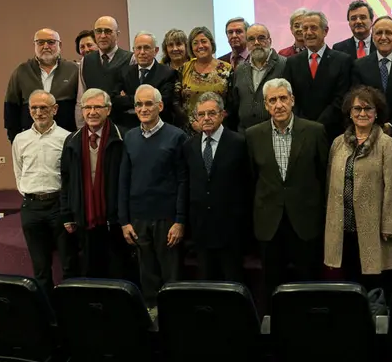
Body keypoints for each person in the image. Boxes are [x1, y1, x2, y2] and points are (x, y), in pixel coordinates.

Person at [244, 78, 328, 309]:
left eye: (283, 98)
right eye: (272, 100)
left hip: (305, 221)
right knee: (272, 286)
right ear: (266, 105)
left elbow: (324, 176)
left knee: (308, 285)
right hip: (269, 222)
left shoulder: (315, 131)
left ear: (292, 100)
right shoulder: (253, 135)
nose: (278, 105)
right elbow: (251, 179)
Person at [324, 86, 392, 291]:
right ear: (349, 112)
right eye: (357, 109)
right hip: (343, 228)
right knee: (348, 284)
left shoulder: (387, 144)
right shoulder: (338, 143)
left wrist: (391, 226)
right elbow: (329, 185)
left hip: (374, 229)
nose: (362, 113)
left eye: (368, 108)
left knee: (373, 285)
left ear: (376, 112)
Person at [119, 85, 187, 309]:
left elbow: (183, 182)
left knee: (172, 277)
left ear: (160, 106)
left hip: (167, 220)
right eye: (139, 104)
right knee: (147, 276)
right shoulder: (130, 137)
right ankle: (152, 316)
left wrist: (179, 221)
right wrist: (124, 221)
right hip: (138, 218)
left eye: (149, 104)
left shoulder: (177, 136)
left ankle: (174, 318)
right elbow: (124, 180)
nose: (143, 108)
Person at [60, 88, 133, 279]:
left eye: (98, 107)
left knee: (119, 273)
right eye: (87, 107)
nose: (92, 112)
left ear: (108, 110)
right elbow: (66, 180)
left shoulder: (123, 138)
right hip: (84, 219)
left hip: (115, 221)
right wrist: (67, 214)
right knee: (90, 274)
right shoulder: (71, 141)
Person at [12, 90, 79, 293]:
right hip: (31, 207)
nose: (39, 112)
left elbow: (71, 176)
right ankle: (47, 309)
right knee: (40, 268)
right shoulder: (20, 140)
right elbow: (19, 172)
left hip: (59, 206)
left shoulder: (66, 138)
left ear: (54, 109)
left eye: (43, 107)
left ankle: (70, 307)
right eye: (34, 108)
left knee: (69, 264)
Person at [184, 92, 249, 282]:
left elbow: (248, 184)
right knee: (206, 285)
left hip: (231, 230)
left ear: (222, 114)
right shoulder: (189, 146)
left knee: (233, 283)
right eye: (201, 114)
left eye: (211, 113)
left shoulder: (239, 143)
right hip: (201, 230)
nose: (206, 118)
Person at [281, 10, 353, 140]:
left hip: (332, 133)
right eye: (305, 28)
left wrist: (318, 126)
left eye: (313, 28)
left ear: (325, 31)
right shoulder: (292, 62)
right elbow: (289, 96)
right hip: (301, 133)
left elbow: (341, 98)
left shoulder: (342, 61)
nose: (308, 33)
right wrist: (304, 124)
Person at [5, 28, 78, 142]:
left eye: (51, 42)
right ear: (34, 45)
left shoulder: (73, 70)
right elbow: (11, 108)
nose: (46, 46)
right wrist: (15, 139)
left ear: (60, 45)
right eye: (40, 43)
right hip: (31, 140)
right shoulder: (22, 71)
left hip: (67, 139)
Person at [175, 26, 233, 135]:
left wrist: (216, 122)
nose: (200, 46)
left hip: (220, 129)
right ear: (191, 47)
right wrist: (192, 122)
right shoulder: (183, 69)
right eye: (195, 43)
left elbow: (232, 102)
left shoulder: (227, 69)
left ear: (211, 43)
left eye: (204, 41)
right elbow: (176, 101)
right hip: (190, 131)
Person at [112, 31, 177, 129]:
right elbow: (114, 100)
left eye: (146, 48)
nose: (142, 52)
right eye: (138, 48)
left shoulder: (167, 73)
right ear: (134, 50)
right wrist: (149, 100)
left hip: (157, 128)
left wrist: (127, 99)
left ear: (156, 50)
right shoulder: (123, 72)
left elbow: (164, 102)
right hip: (128, 128)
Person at [232, 23, 287, 133]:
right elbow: (236, 102)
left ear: (270, 41)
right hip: (245, 134)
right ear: (247, 43)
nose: (256, 43)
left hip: (276, 132)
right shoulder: (240, 69)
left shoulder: (285, 64)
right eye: (251, 39)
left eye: (261, 38)